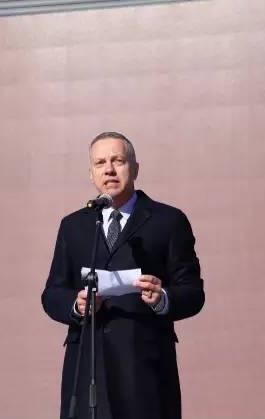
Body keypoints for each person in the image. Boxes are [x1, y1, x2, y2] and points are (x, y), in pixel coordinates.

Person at [41, 132, 205, 419]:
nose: (109, 169)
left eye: (118, 160)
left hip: (144, 368)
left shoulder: (168, 220)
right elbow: (53, 293)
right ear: (91, 174)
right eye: (100, 163)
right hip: (87, 366)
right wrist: (77, 305)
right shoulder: (74, 225)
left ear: (135, 169)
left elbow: (192, 292)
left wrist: (163, 298)